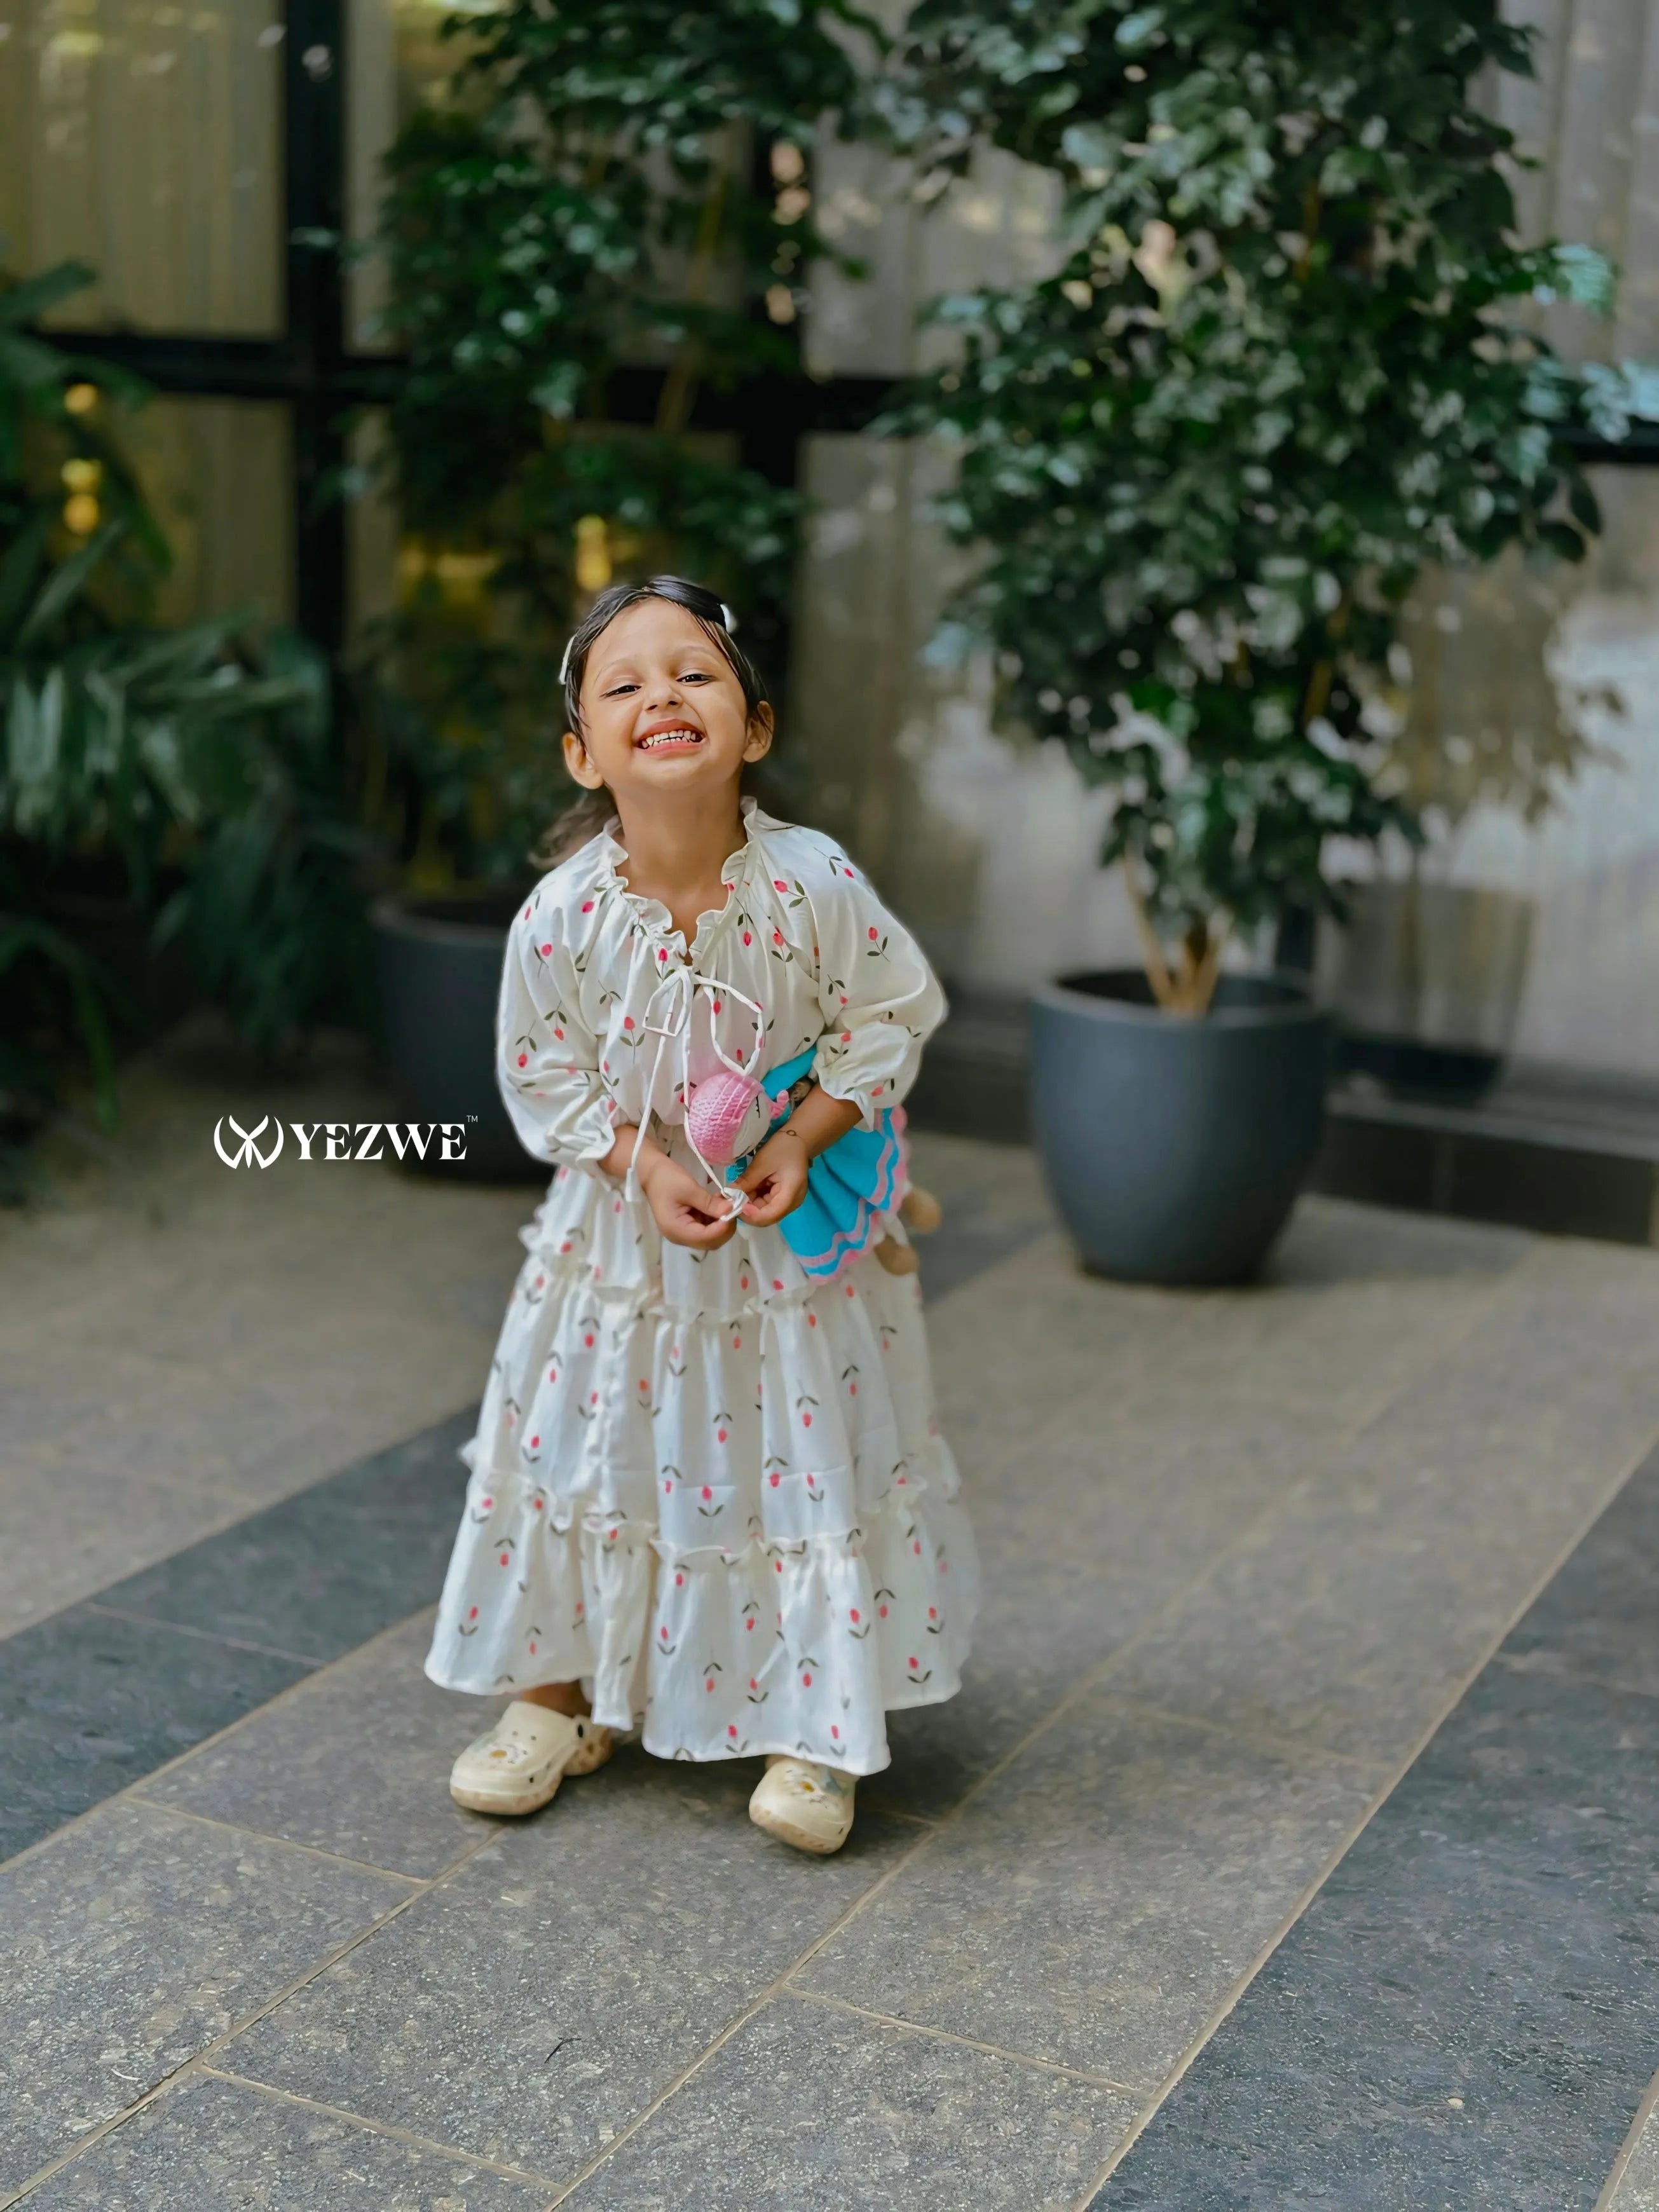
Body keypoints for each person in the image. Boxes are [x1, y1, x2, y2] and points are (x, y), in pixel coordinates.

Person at [425, 576, 978, 1855]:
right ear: (583, 752)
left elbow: (885, 1016)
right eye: (623, 684)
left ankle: (818, 1723)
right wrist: (637, 1163)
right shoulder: (562, 918)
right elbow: (542, 1073)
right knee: (587, 1449)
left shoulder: (813, 883)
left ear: (755, 726)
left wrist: (796, 1140)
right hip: (618, 1254)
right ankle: (556, 1694)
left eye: (695, 673)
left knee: (798, 1456)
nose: (662, 695)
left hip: (787, 1260)